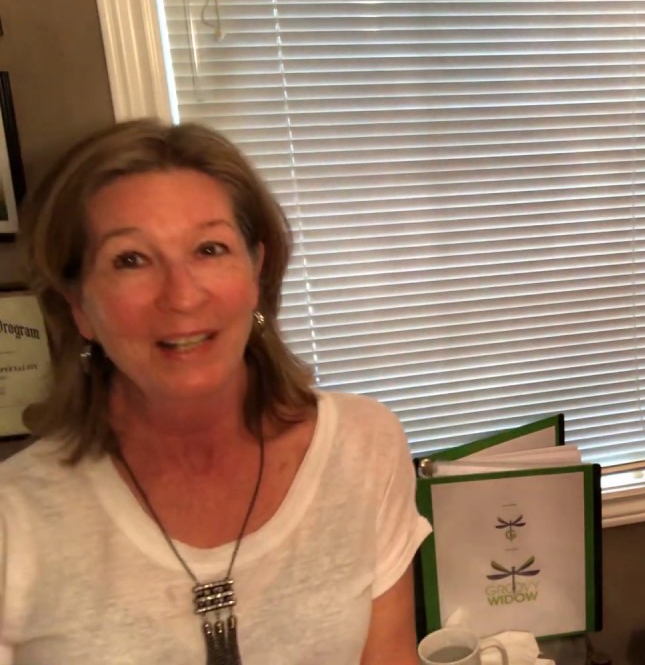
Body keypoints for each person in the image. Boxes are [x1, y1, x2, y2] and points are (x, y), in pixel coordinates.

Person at [0, 119, 431, 664]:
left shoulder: (363, 446)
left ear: (256, 273)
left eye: (209, 249)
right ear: (79, 305)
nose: (182, 297)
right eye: (130, 259)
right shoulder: (15, 518)